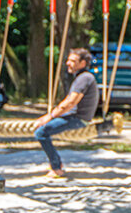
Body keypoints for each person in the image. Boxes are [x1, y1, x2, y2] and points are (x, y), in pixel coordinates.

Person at [32, 48, 99, 179]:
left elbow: (70, 103)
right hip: (76, 117)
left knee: (41, 133)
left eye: (73, 61)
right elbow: (68, 101)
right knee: (42, 130)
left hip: (78, 119)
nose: (68, 63)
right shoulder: (83, 77)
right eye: (68, 60)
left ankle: (57, 167)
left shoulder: (84, 78)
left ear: (83, 63)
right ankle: (57, 165)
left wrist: (49, 117)